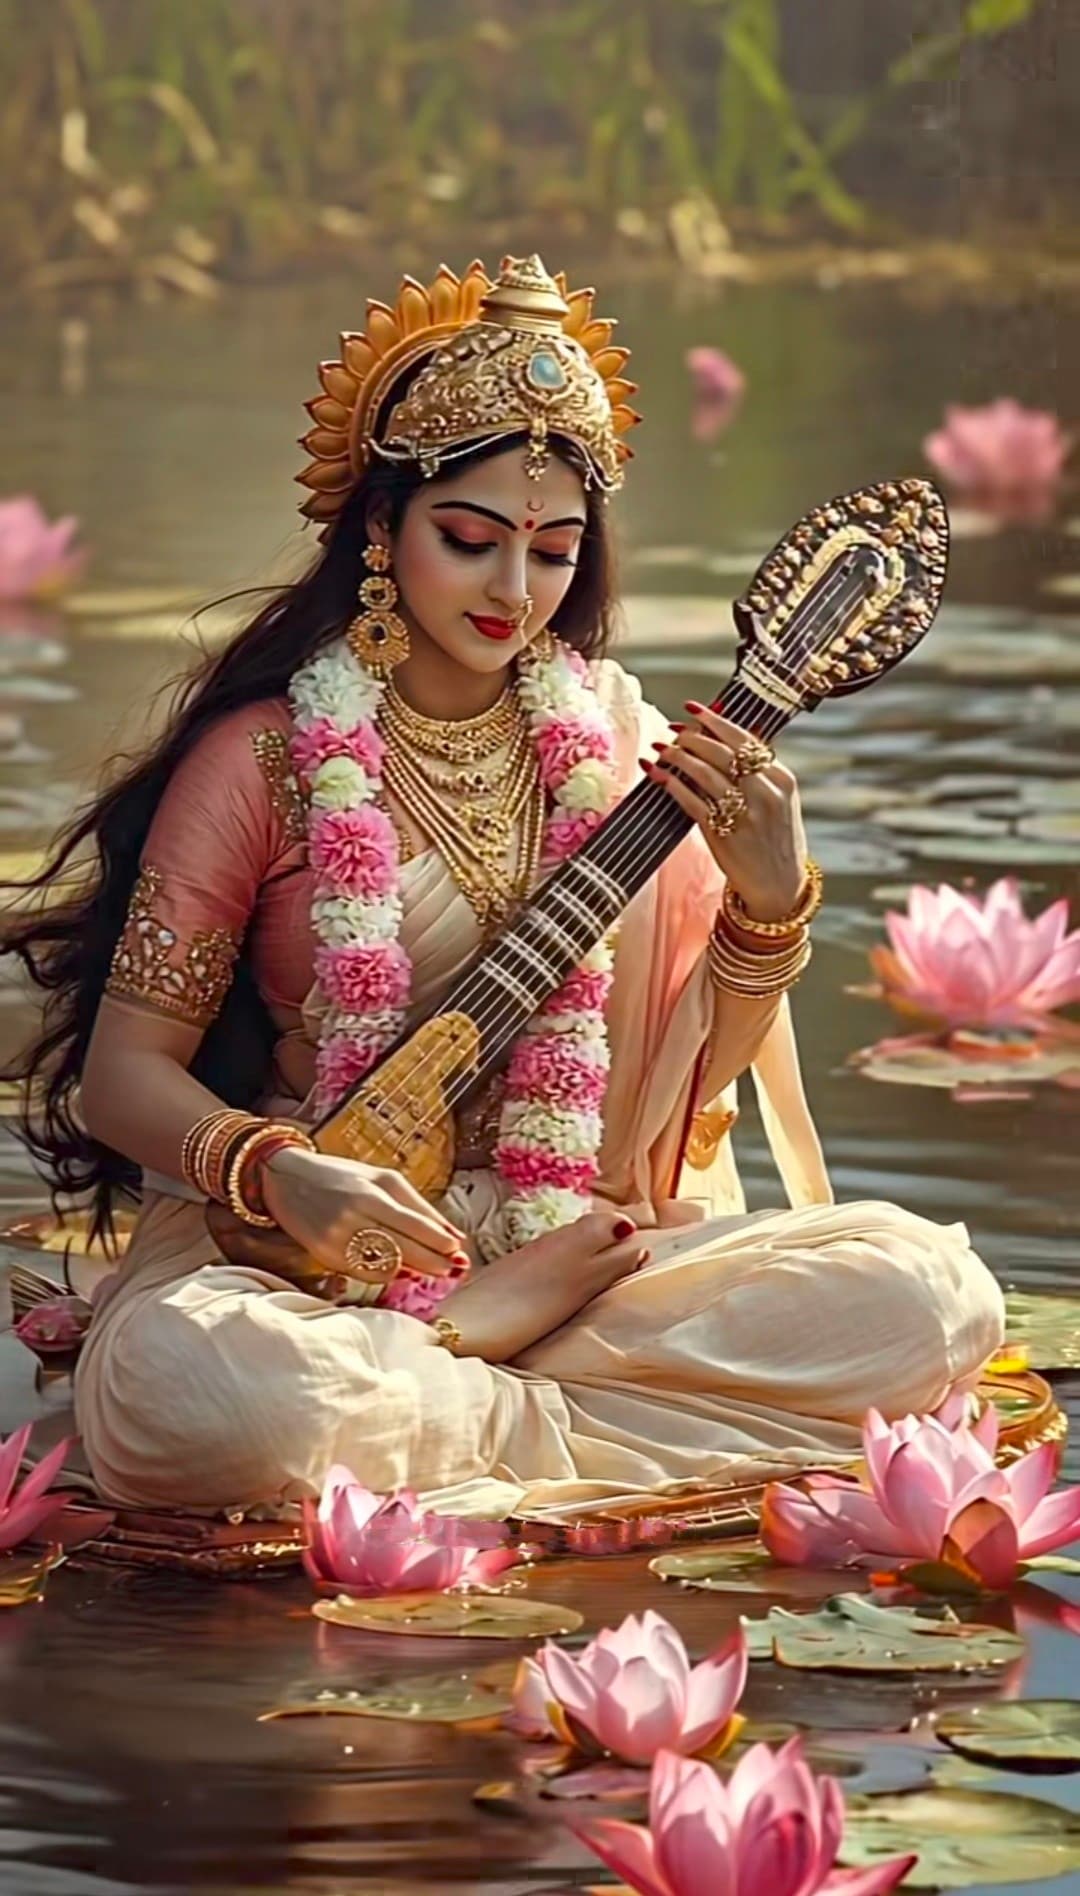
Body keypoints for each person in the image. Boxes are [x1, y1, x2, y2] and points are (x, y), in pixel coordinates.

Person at [3, 255, 1004, 1523]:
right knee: (206, 1392)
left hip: (577, 1247)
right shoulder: (260, 761)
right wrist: (273, 1170)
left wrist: (770, 904)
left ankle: (457, 1385)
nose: (513, 591)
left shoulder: (618, 747)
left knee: (930, 1294)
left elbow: (684, 1110)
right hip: (303, 1258)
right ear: (382, 529)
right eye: (471, 541)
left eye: (553, 550)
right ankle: (489, 1370)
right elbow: (121, 1077)